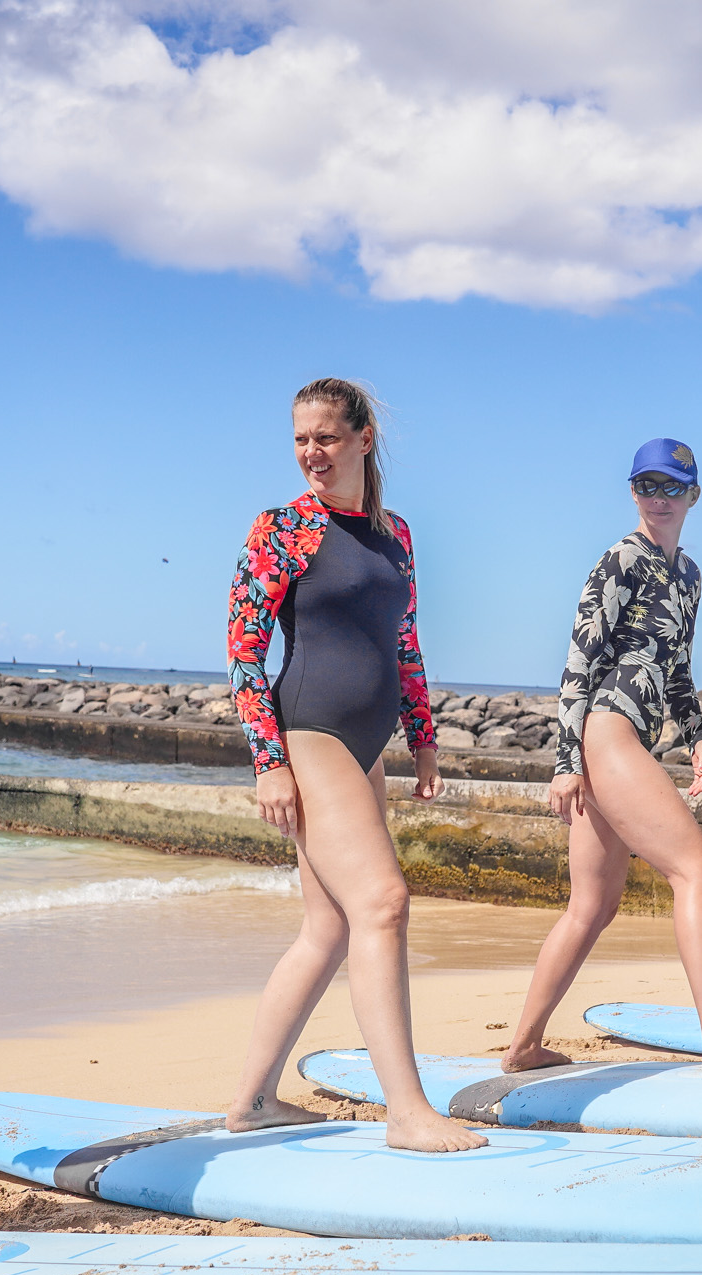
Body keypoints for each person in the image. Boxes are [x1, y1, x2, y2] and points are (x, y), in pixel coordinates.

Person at [224, 378, 484, 1153]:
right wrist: (269, 761)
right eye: (301, 438)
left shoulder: (394, 535)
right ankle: (407, 1112)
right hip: (311, 731)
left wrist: (423, 736)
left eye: (326, 437)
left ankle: (252, 1102)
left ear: (363, 439)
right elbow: (244, 652)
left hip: (366, 742)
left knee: (330, 926)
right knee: (383, 903)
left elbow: (404, 641)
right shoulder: (282, 529)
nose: (312, 452)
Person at [502, 440, 702, 1072]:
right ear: (632, 491)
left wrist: (696, 732)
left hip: (629, 736)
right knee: (699, 871)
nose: (657, 499)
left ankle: (524, 1047)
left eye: (670, 488)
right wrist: (565, 763)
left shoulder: (689, 575)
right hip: (606, 731)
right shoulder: (620, 560)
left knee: (594, 906)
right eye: (645, 486)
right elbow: (579, 662)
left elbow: (676, 664)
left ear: (694, 495)